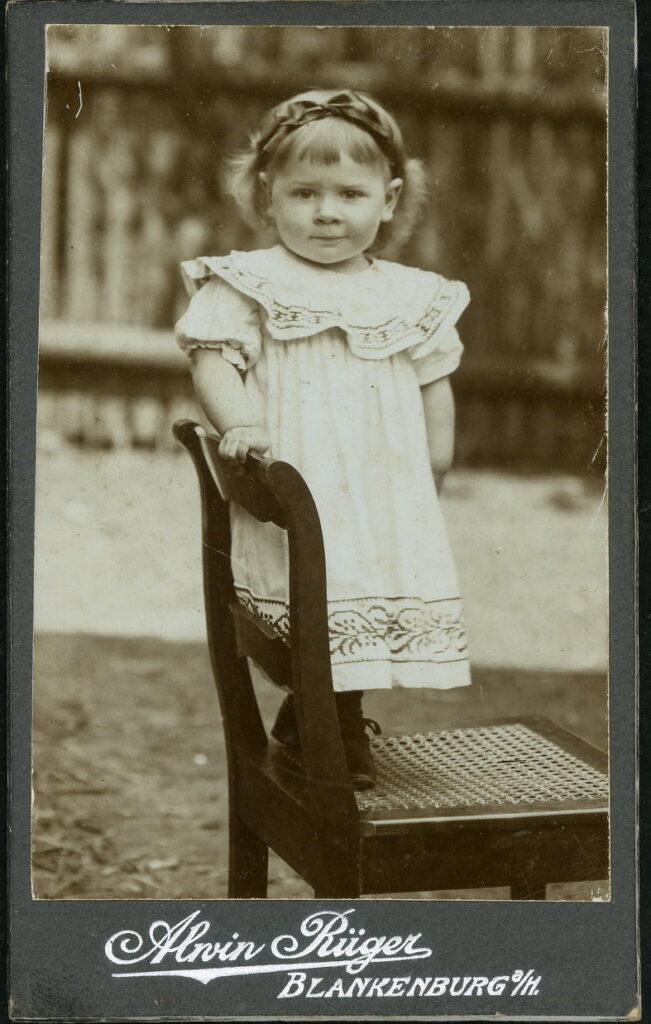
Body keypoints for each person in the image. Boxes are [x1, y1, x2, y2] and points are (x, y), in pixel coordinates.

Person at [175, 88, 471, 790]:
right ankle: (320, 726)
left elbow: (435, 378)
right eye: (304, 192)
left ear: (389, 200)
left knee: (365, 592)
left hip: (380, 492)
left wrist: (435, 458)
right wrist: (240, 421)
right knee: (317, 593)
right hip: (300, 483)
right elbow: (212, 358)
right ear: (265, 194)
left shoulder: (408, 294)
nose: (327, 212)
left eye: (349, 193)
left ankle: (330, 719)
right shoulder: (249, 283)